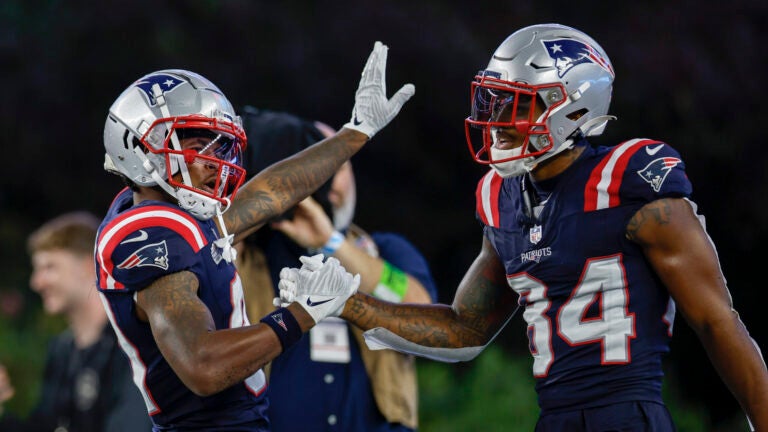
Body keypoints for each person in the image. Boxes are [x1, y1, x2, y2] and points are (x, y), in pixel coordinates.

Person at [274, 24, 768, 431]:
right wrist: (348, 304)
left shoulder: (629, 180)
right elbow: (465, 330)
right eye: (494, 102)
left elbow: (715, 320)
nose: (498, 121)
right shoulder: (503, 196)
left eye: (518, 104)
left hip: (628, 416)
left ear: (575, 106)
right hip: (552, 419)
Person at [93, 40, 415, 431]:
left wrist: (355, 132)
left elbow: (273, 192)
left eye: (221, 145)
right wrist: (302, 313)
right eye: (197, 146)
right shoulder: (150, 234)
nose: (217, 161)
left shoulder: (178, 212)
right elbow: (203, 366)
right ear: (142, 149)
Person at [236, 108, 437, 431]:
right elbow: (209, 255)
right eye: (313, 168)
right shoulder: (254, 254)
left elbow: (422, 312)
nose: (326, 181)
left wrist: (331, 242)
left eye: (336, 165)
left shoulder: (384, 249)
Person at [0, 211, 152, 432]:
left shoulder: (133, 345)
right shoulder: (62, 351)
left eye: (49, 267)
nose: (36, 283)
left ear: (88, 267)